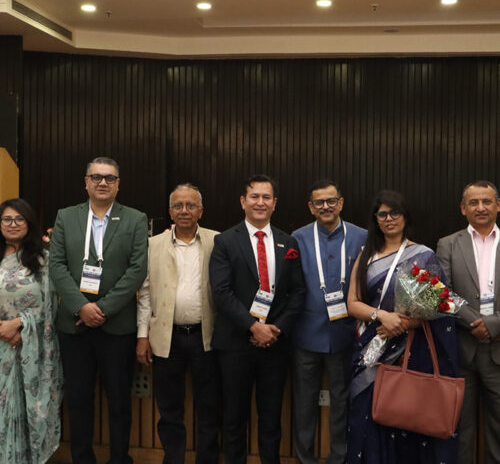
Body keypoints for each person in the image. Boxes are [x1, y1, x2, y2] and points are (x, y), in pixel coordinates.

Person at [346, 190, 459, 464]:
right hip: (372, 346)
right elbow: (352, 303)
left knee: (406, 418)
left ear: (405, 217)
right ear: (376, 219)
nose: (389, 219)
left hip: (412, 352)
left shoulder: (424, 255)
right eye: (383, 214)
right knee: (366, 414)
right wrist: (383, 316)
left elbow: (440, 309)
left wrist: (404, 323)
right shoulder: (366, 255)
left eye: (394, 212)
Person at [49, 157, 148, 464]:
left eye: (109, 178)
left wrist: (102, 308)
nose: (103, 182)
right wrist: (81, 306)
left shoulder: (135, 219)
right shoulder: (66, 216)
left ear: (118, 184)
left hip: (116, 326)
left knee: (119, 401)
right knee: (78, 400)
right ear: (86, 182)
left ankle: (119, 459)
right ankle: (82, 459)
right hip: (74, 326)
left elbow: (137, 270)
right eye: (96, 177)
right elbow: (57, 265)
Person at [209, 174, 306, 464]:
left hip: (275, 346)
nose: (260, 202)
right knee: (234, 420)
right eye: (254, 196)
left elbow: (298, 293)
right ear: (243, 202)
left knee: (271, 420)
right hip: (235, 345)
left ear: (275, 203)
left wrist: (276, 330)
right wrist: (253, 327)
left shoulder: (288, 242)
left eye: (266, 197)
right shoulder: (224, 241)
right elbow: (222, 292)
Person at [137, 183, 219, 464]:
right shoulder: (153, 245)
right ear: (170, 211)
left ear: (201, 211)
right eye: (178, 206)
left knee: (209, 407)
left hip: (205, 337)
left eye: (190, 205)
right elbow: (145, 293)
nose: (184, 210)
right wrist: (142, 335)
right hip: (166, 338)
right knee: (169, 409)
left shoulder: (217, 241)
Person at [291, 180, 367, 464]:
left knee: (342, 400)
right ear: (311, 207)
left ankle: (339, 458)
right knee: (304, 402)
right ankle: (304, 459)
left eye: (331, 201)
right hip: (305, 335)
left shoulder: (361, 236)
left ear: (341, 203)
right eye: (319, 202)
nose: (326, 207)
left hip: (346, 335)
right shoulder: (297, 238)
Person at [436, 180, 500, 464]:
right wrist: (477, 322)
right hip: (462, 350)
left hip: (499, 349)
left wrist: (494, 324)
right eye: (473, 202)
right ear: (463, 209)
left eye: (487, 201)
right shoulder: (448, 244)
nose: (480, 207)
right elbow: (442, 293)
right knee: (460, 429)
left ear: (498, 205)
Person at [0, 198, 62, 463]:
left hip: (31, 352)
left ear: (29, 223)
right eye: (6, 219)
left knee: (27, 415)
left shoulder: (42, 260)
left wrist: (19, 324)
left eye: (19, 219)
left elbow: (50, 308)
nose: (12, 224)